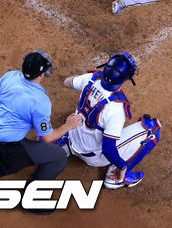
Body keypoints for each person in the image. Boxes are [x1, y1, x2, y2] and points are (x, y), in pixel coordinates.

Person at [0, 50, 84, 214]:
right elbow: (47, 138)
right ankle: (30, 201)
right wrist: (68, 126)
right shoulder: (40, 102)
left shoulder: (10, 76)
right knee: (59, 156)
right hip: (3, 149)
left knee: (6, 129)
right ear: (42, 74)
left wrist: (11, 106)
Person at [56, 52, 162, 189]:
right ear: (126, 78)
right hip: (93, 156)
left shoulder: (90, 78)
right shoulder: (116, 109)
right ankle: (116, 178)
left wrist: (81, 81)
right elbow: (108, 149)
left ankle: (64, 146)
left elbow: (67, 82)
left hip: (71, 136)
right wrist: (122, 167)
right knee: (152, 129)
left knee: (82, 117)